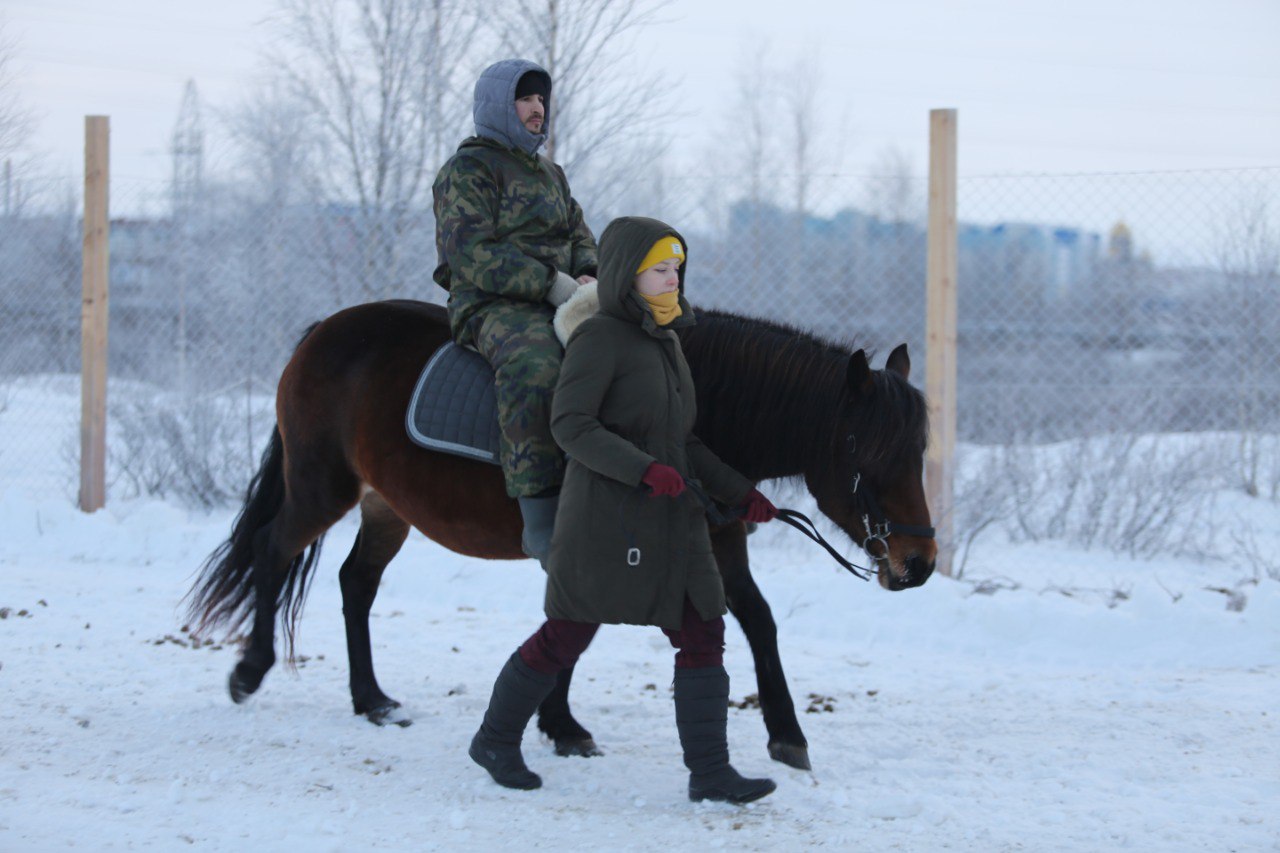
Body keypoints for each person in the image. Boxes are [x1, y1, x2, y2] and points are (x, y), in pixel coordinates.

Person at [468, 216, 781, 804]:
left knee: (704, 629)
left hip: (672, 519)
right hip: (607, 517)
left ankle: (710, 773)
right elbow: (571, 424)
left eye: (677, 268)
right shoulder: (600, 338)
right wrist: (642, 469)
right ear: (625, 274)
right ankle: (494, 740)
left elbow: (682, 440)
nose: (673, 279)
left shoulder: (667, 341)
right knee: (566, 635)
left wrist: (740, 492)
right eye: (660, 269)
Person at [432, 58, 597, 561]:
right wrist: (550, 283)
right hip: (491, 305)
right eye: (525, 98)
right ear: (498, 105)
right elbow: (471, 253)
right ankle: (540, 519)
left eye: (541, 98)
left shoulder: (551, 173)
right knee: (536, 364)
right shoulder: (468, 170)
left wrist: (589, 273)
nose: (537, 108)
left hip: (565, 296)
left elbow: (579, 235)